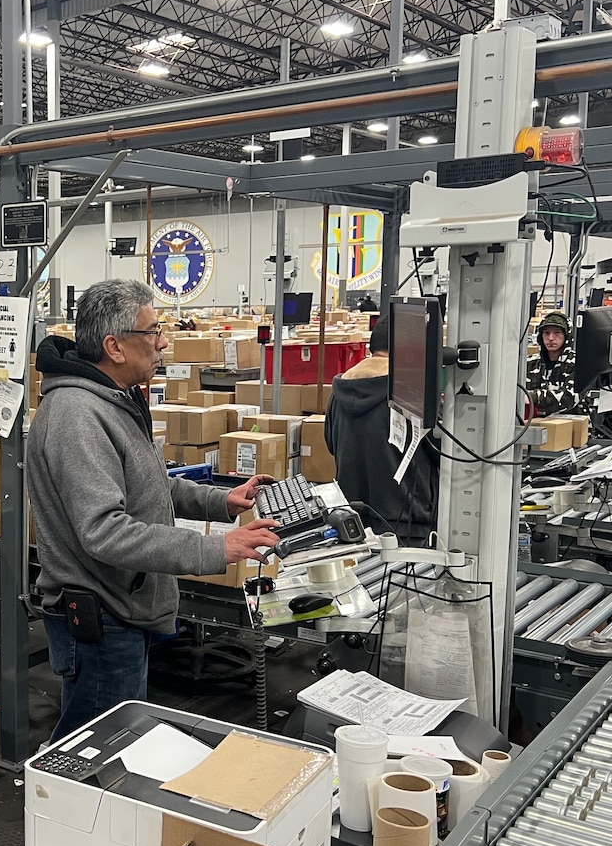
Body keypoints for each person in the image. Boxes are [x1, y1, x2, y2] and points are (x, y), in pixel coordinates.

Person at [26, 279, 280, 742]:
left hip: (122, 605)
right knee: (98, 751)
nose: (163, 341)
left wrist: (220, 501)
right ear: (115, 346)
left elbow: (146, 484)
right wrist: (216, 549)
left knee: (106, 739)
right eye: (153, 330)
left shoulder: (114, 400)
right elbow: (104, 531)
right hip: (102, 616)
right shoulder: (77, 415)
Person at [324, 319, 439, 546]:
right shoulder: (411, 391)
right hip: (408, 526)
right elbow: (446, 451)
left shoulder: (341, 388)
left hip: (353, 524)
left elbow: (331, 443)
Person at [526, 310, 579, 416]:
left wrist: (533, 397)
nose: (550, 338)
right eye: (546, 333)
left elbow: (568, 398)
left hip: (569, 426)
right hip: (533, 425)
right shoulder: (530, 363)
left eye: (557, 333)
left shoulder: (578, 364)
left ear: (566, 336)